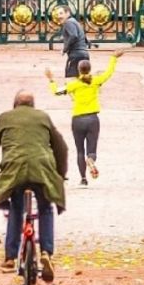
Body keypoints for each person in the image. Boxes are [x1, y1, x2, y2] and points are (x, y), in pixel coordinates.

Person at [0, 90, 68, 282]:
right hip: (42, 170)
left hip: (14, 171)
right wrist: (61, 175)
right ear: (33, 105)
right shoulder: (43, 117)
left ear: (15, 104)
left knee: (16, 208)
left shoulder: (4, 118)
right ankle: (47, 252)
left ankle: (10, 257)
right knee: (46, 208)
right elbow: (61, 147)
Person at [46, 49, 127, 186]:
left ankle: (83, 179)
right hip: (93, 118)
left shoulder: (74, 85)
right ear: (90, 69)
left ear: (78, 70)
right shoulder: (96, 81)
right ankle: (91, 159)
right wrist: (114, 58)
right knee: (92, 148)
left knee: (79, 150)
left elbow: (56, 92)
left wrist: (51, 80)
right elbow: (108, 73)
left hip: (78, 119)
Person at [52, 4, 91, 79]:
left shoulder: (68, 22)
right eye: (57, 14)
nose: (59, 16)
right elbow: (83, 37)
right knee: (83, 80)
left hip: (76, 55)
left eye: (61, 13)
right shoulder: (75, 22)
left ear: (68, 13)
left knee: (70, 79)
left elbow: (73, 36)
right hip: (84, 54)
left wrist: (64, 49)